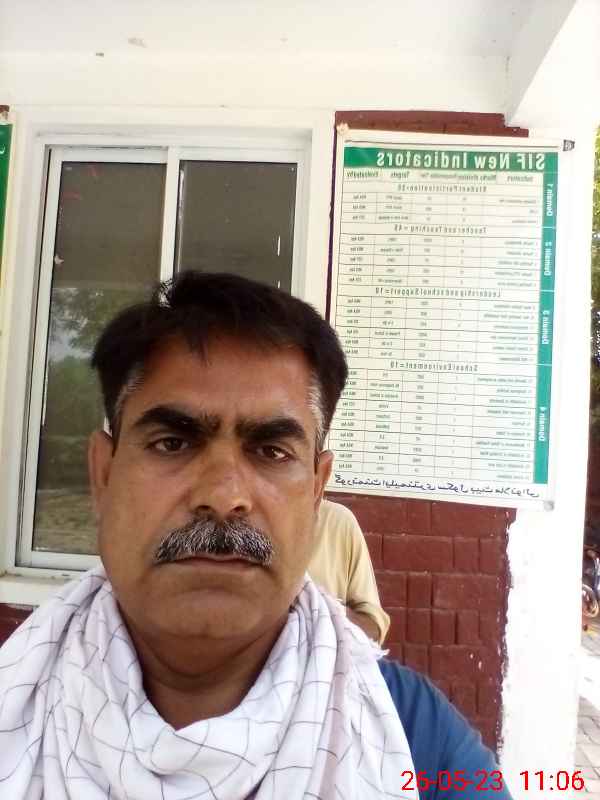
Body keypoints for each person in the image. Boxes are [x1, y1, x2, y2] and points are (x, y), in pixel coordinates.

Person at [0, 271, 513, 799]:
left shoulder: (417, 744)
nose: (224, 496)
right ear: (103, 475)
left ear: (316, 491)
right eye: (173, 443)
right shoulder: (15, 695)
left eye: (272, 451)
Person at [310, 499, 390, 643]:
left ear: (318, 487)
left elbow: (373, 627)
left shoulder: (339, 522)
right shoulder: (263, 529)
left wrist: (326, 611)